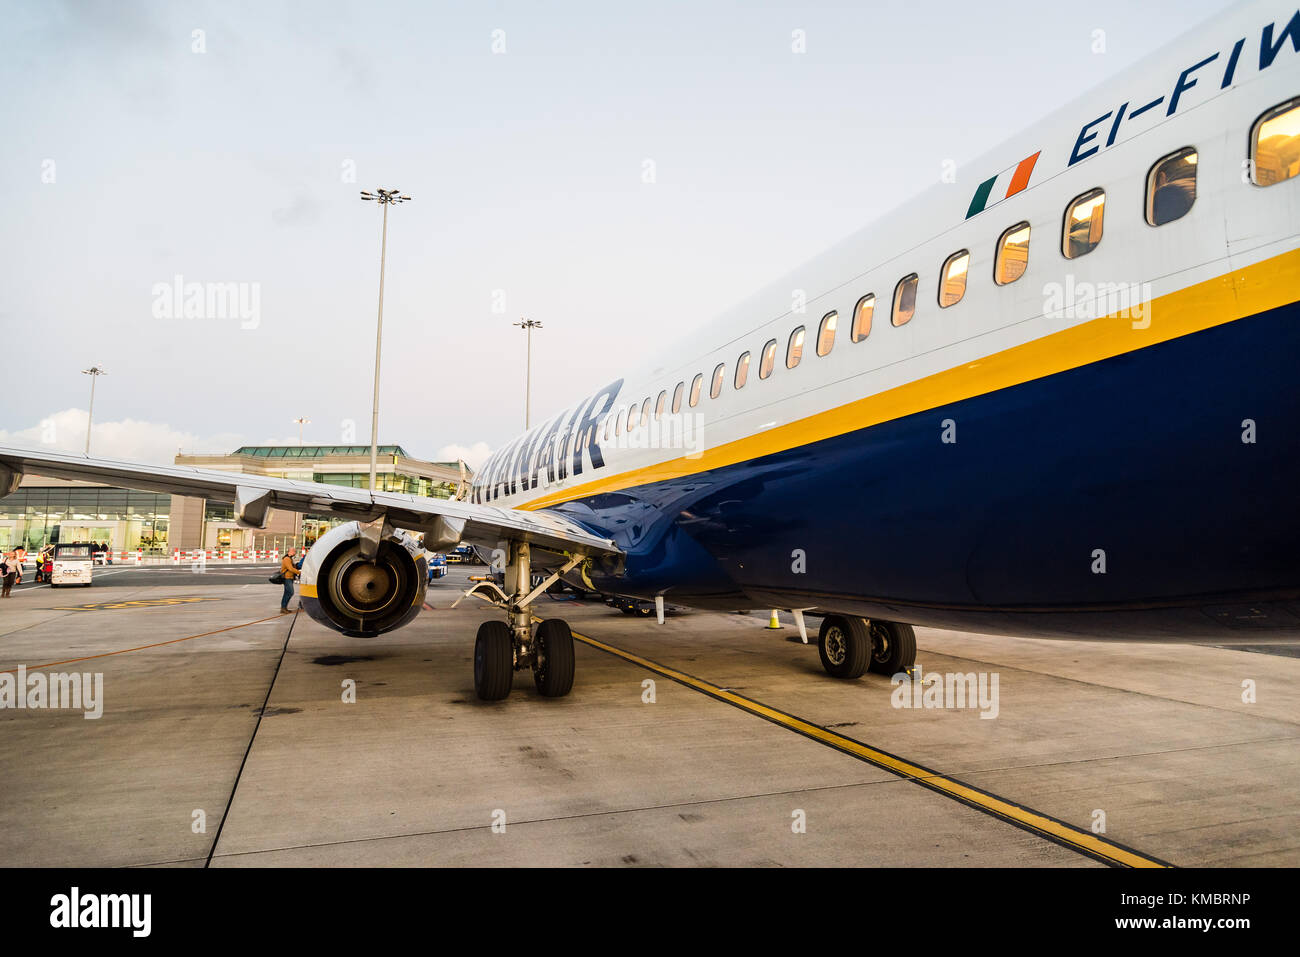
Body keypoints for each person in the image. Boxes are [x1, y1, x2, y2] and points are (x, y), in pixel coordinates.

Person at [279, 548, 299, 614]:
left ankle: (284, 608)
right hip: (287, 578)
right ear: (291, 551)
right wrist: (299, 572)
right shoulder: (287, 559)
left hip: (289, 578)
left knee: (287, 593)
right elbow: (290, 568)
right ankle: (283, 607)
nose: (295, 552)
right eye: (294, 551)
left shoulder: (289, 558)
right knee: (290, 592)